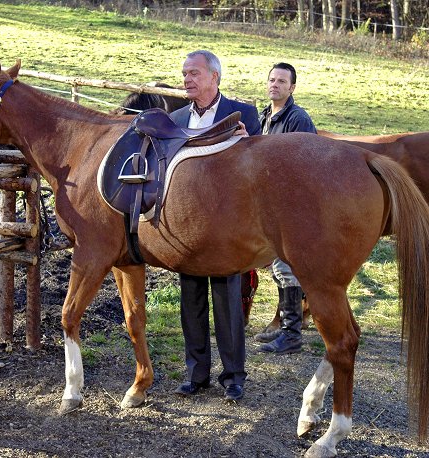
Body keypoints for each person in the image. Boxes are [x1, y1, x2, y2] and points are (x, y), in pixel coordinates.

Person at [169, 50, 261, 401]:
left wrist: (246, 139)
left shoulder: (244, 114)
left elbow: (260, 162)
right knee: (190, 299)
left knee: (227, 301)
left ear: (214, 77)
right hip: (186, 223)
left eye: (194, 73)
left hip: (228, 225)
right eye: (184, 74)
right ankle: (196, 374)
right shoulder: (175, 118)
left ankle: (234, 376)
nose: (187, 79)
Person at [254, 62, 317, 355]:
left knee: (285, 267)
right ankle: (287, 327)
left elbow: (307, 166)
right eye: (272, 80)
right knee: (279, 268)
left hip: (291, 205)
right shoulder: (264, 116)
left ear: (292, 88)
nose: (275, 85)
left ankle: (291, 333)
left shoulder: (298, 119)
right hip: (267, 203)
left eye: (281, 81)